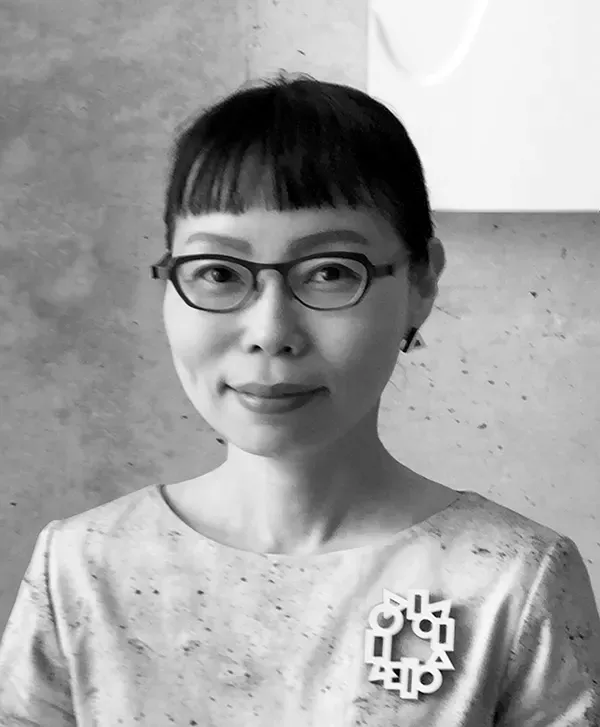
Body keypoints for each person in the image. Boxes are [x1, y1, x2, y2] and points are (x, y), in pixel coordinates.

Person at [0, 71, 598, 726]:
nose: (270, 331)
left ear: (421, 282)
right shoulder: (81, 566)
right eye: (218, 272)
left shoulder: (512, 579)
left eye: (330, 272)